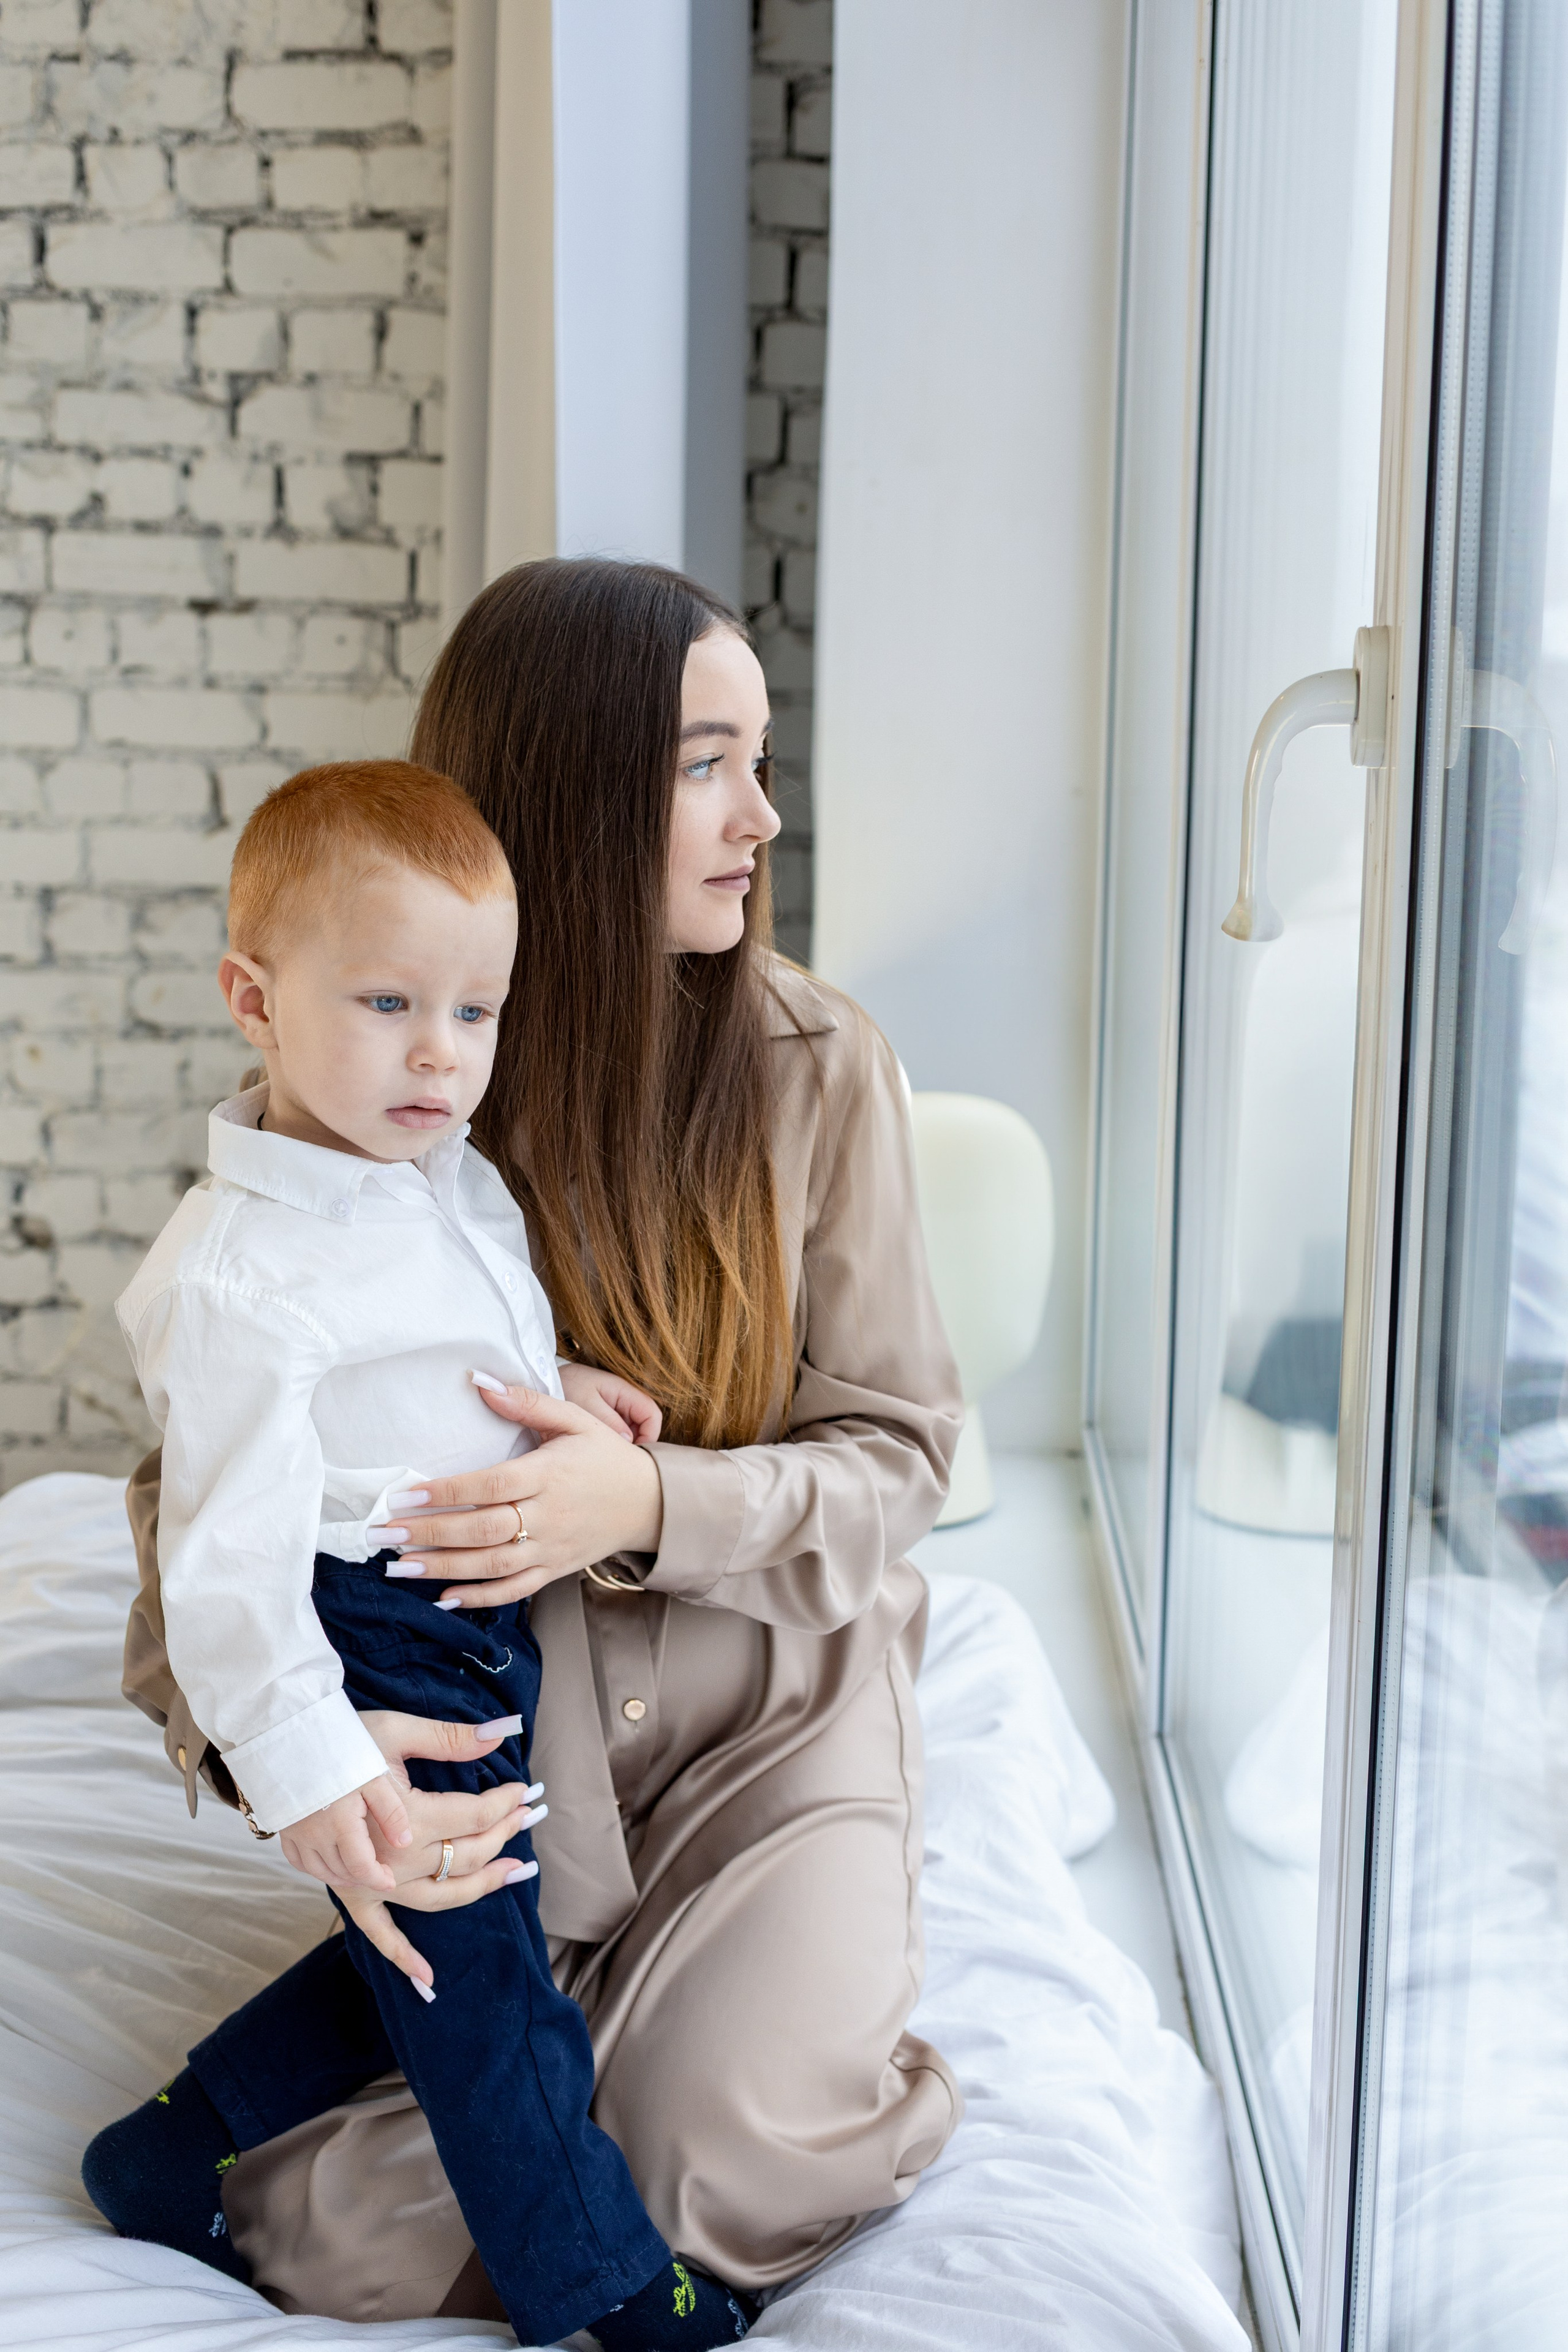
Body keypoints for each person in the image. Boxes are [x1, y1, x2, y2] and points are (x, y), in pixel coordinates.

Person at [118, 558, 965, 2326]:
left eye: (760, 759)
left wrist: (643, 1495)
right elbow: (200, 1486)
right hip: (528, 1738)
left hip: (776, 1723)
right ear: (578, 788)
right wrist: (307, 1759)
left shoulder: (820, 1066)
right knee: (352, 2235)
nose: (764, 814)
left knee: (701, 2163)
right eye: (706, 764)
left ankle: (703, 2054)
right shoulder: (392, 1072)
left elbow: (902, 1458)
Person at [83, 759, 752, 2351]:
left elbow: (444, 1351)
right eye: (387, 1003)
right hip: (375, 1636)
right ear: (255, 997)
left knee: (458, 1938)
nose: (441, 1057)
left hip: (479, 1617)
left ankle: (171, 2146)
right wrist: (313, 1769)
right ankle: (593, 2282)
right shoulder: (239, 1276)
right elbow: (225, 1568)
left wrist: (553, 1396)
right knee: (492, 1982)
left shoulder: (439, 1173)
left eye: (475, 1013)